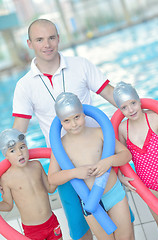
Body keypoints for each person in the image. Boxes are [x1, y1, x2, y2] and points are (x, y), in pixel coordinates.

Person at [11, 18, 117, 240]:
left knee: (117, 219)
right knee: (80, 228)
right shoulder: (25, 85)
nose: (47, 44)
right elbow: (18, 132)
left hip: (97, 155)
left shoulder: (81, 65)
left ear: (58, 38)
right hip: (63, 165)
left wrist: (142, 109)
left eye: (51, 38)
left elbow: (111, 94)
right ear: (30, 43)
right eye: (40, 39)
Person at [48, 92, 135, 240]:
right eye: (67, 121)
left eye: (77, 117)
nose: (74, 124)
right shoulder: (60, 147)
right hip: (89, 200)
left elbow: (126, 155)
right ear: (60, 122)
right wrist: (75, 172)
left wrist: (109, 161)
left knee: (125, 237)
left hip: (113, 193)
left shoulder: (99, 133)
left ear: (84, 113)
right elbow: (52, 178)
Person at [113, 81, 158, 232]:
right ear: (120, 110)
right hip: (148, 185)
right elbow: (120, 156)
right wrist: (120, 175)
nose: (131, 109)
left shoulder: (154, 118)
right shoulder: (122, 129)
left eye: (133, 103)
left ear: (139, 101)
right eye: (124, 107)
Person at [0, 128, 62, 240]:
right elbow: (8, 205)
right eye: (12, 150)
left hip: (51, 221)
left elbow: (50, 188)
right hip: (32, 230)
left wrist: (59, 168)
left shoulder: (37, 165)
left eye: (22, 147)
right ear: (6, 155)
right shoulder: (6, 179)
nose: (19, 153)